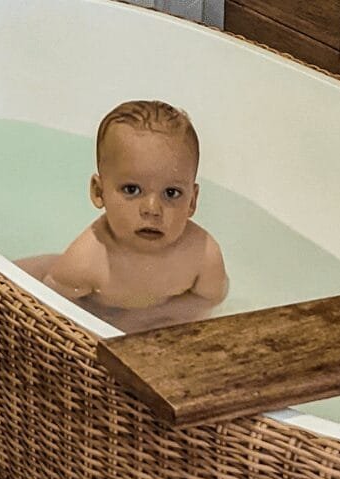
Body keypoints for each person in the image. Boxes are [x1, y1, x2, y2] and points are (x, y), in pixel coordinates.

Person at [17, 101, 227, 327]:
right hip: (90, 303)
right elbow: (50, 310)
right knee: (20, 276)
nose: (152, 209)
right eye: (132, 190)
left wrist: (144, 319)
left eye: (171, 193)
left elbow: (211, 299)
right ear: (99, 193)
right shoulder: (86, 260)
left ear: (192, 201)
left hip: (137, 322)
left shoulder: (203, 255)